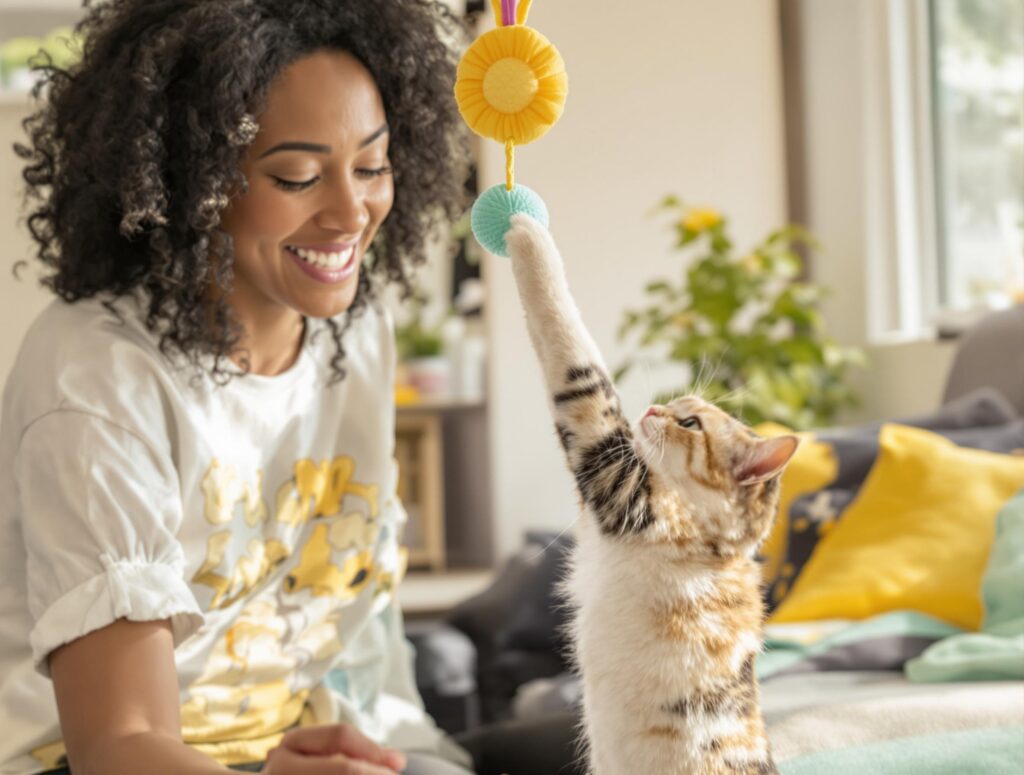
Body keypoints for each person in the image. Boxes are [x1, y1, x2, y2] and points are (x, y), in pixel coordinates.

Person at [0, 1, 475, 772]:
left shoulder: (357, 331)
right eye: (297, 176)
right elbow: (119, 744)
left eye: (372, 166)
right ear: (192, 181)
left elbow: (365, 654)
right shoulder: (97, 375)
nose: (350, 213)